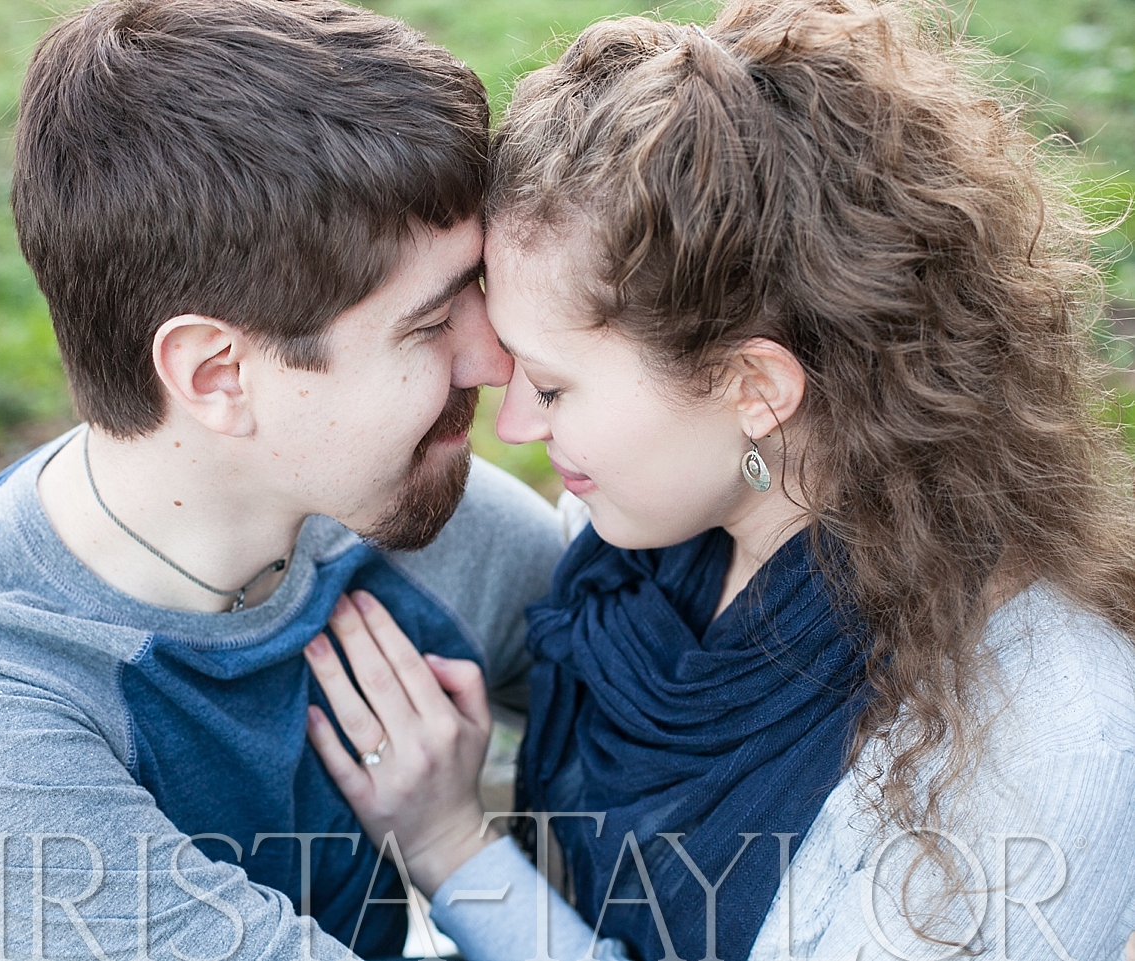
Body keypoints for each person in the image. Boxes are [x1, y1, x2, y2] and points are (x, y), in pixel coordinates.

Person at [303, 1, 1135, 958]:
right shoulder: (640, 519)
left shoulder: (1044, 739)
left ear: (754, 388)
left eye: (553, 384)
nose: (518, 424)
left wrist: (456, 853)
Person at [0, 2, 567, 959]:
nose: (497, 362)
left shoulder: (452, 533)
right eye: (430, 322)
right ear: (217, 375)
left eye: (479, 293)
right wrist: (465, 861)